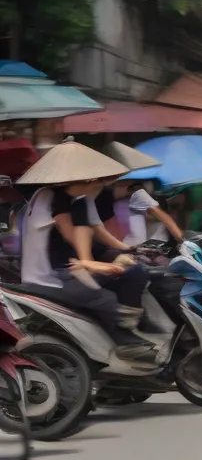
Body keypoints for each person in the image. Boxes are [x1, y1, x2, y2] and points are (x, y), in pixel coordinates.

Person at [16, 141, 154, 360]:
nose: (105, 182)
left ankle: (130, 328)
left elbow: (96, 229)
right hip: (52, 274)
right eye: (100, 179)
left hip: (70, 264)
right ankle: (125, 342)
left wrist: (125, 248)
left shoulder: (80, 198)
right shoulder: (53, 197)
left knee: (135, 272)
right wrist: (92, 261)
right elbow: (75, 237)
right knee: (105, 297)